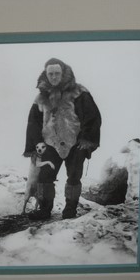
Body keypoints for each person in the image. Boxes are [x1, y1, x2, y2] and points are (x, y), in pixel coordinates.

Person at [24, 57, 101, 220]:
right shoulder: (40, 98)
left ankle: (70, 210)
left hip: (75, 143)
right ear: (46, 75)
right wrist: (36, 143)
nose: (54, 77)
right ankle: (44, 210)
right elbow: (33, 122)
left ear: (64, 73)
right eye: (50, 74)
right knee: (44, 177)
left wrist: (86, 139)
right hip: (49, 143)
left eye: (57, 73)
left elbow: (92, 116)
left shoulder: (79, 92)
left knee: (74, 176)